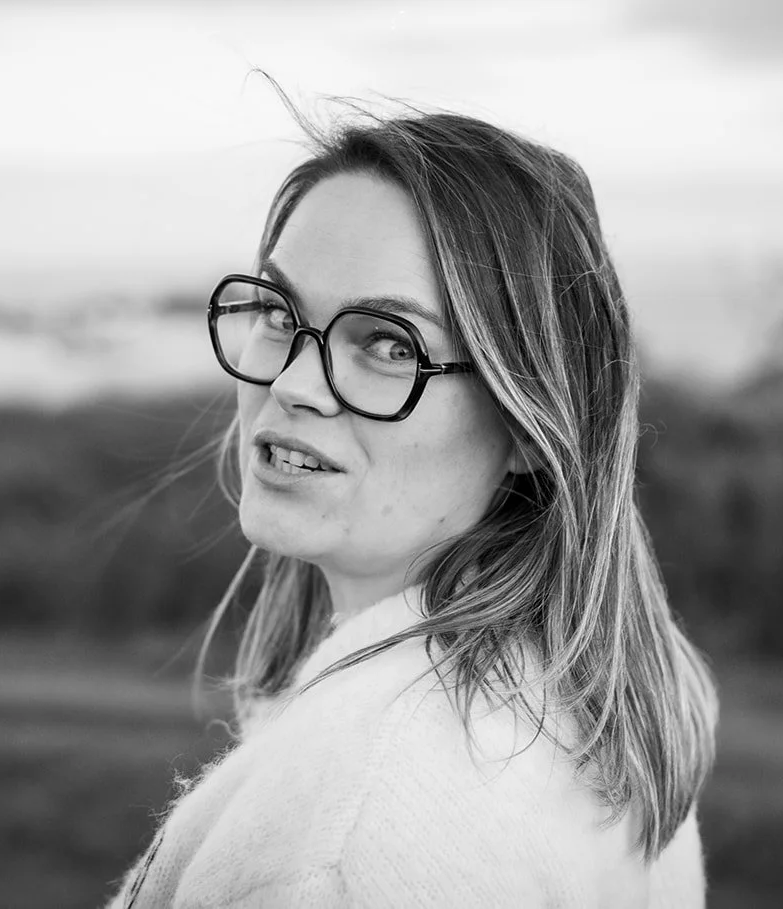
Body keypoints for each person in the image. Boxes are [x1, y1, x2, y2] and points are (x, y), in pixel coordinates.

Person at [107, 99, 719, 908]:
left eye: (390, 344)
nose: (290, 383)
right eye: (278, 312)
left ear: (530, 425)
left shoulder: (345, 834)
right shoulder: (591, 695)